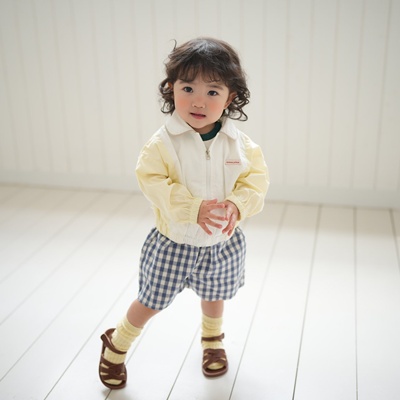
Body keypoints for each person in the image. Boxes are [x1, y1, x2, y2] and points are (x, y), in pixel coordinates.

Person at [98, 37, 269, 389]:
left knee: (214, 295)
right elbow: (152, 182)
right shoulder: (162, 144)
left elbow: (255, 181)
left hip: (221, 242)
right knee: (151, 301)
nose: (198, 101)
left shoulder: (240, 145)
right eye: (187, 88)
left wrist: (238, 204)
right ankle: (117, 343)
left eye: (212, 91)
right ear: (171, 89)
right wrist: (193, 208)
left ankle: (212, 340)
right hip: (173, 242)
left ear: (230, 98)